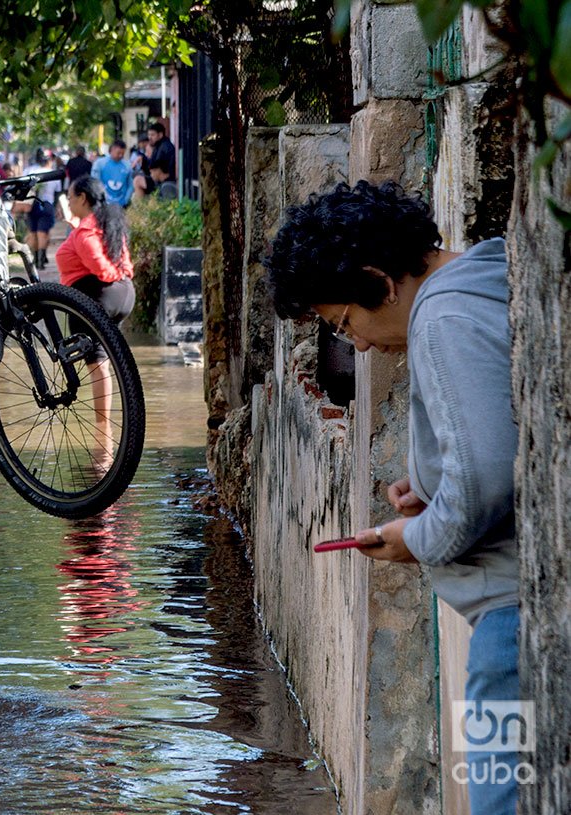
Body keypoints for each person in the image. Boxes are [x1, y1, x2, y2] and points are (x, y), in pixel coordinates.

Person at [264, 180, 519, 815]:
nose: (358, 344)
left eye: (345, 321)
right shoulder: (488, 272)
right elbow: (503, 442)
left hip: (509, 630)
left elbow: (486, 478)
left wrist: (417, 539)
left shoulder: (442, 318)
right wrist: (431, 488)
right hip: (518, 613)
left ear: (378, 280)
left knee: (502, 804)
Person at [54, 175, 135, 463]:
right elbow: (120, 263)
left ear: (83, 199)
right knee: (103, 363)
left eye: (71, 196)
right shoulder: (105, 223)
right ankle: (106, 429)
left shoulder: (86, 231)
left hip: (98, 294)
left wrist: (108, 279)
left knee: (97, 363)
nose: (68, 200)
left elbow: (101, 268)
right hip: (124, 293)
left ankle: (103, 435)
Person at [25, 148, 62, 270]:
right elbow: (57, 193)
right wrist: (57, 208)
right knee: (42, 234)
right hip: (47, 204)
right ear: (49, 160)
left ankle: (35, 260)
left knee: (33, 233)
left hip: (32, 204)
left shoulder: (30, 171)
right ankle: (40, 261)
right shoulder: (53, 174)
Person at [92, 140, 133, 209]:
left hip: (121, 205)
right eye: (118, 153)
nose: (120, 155)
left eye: (123, 153)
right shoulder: (99, 164)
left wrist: (126, 200)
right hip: (104, 205)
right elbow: (95, 183)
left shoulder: (127, 166)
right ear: (112, 150)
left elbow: (130, 185)